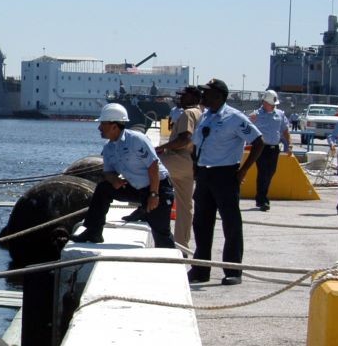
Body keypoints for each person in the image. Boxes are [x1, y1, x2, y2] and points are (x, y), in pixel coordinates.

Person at [189, 78, 264, 285]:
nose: (203, 96)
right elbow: (196, 145)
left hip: (225, 174)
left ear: (219, 96)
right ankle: (200, 270)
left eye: (207, 92)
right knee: (201, 223)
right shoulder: (205, 116)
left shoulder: (235, 118)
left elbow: (258, 142)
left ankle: (233, 270)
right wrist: (195, 165)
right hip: (205, 174)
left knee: (231, 224)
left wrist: (243, 171)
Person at [71, 103, 176, 248]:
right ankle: (93, 231)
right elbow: (108, 172)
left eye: (102, 124)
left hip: (158, 188)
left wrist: (154, 195)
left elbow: (153, 166)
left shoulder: (136, 140)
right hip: (136, 188)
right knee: (104, 188)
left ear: (114, 126)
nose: (99, 128)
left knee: (161, 234)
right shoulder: (108, 148)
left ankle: (169, 259)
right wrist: (113, 179)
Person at [155, 85, 202, 248]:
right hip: (191, 163)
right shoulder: (200, 113)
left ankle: (143, 209)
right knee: (185, 205)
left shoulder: (188, 113)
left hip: (178, 159)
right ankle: (182, 243)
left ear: (194, 98)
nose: (180, 98)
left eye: (184, 96)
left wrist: (162, 148)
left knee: (148, 169)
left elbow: (184, 139)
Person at [248, 89, 292, 212]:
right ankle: (263, 200)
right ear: (264, 102)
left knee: (271, 172)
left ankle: (260, 197)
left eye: (274, 104)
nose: (273, 106)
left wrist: (289, 145)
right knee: (263, 173)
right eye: (271, 104)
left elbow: (285, 131)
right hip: (261, 148)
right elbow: (245, 128)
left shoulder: (280, 114)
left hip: (274, 148)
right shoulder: (255, 115)